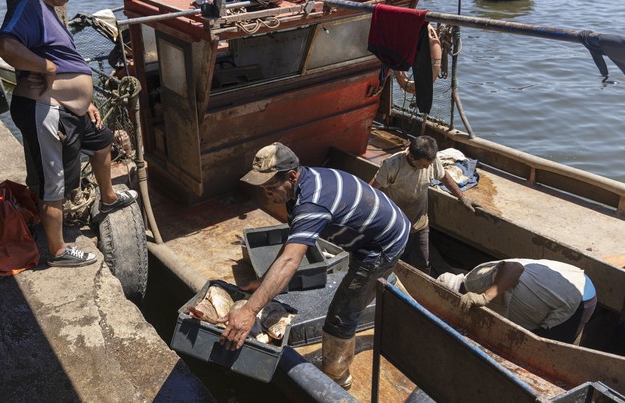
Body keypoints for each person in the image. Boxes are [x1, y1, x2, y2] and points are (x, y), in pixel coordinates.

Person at [219, 142, 410, 389]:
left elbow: (291, 260)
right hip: (369, 231)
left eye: (269, 188)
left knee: (342, 314)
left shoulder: (313, 202)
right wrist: (263, 281)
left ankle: (337, 378)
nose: (268, 195)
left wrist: (249, 311)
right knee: (356, 286)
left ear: (291, 175)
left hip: (383, 244)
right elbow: (291, 245)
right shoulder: (298, 187)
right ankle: (378, 284)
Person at [0, 0, 137, 267]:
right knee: (55, 182)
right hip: (46, 108)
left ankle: (109, 198)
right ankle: (58, 251)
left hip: (71, 109)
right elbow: (5, 45)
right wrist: (44, 65)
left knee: (102, 141)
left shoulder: (46, 9)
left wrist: (84, 105)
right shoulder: (29, 5)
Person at [371, 135, 481, 275]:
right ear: (411, 156)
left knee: (423, 263)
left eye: (429, 164)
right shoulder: (391, 165)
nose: (427, 168)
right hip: (397, 225)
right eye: (423, 165)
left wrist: (462, 197)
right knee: (391, 262)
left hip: (420, 224)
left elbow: (444, 177)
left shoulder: (431, 162)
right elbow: (371, 190)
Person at [437, 258, 597, 344]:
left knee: (539, 353)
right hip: (567, 284)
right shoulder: (475, 281)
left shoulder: (473, 281)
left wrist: (485, 297)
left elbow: (514, 268)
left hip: (577, 297)